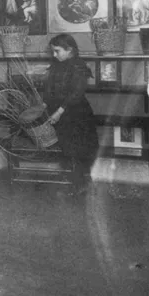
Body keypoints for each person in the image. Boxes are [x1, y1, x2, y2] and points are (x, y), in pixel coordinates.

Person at [43, 34, 99, 196]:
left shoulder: (79, 67)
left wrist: (59, 112)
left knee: (79, 149)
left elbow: (76, 93)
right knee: (67, 149)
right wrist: (45, 104)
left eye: (57, 51)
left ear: (70, 50)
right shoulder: (57, 65)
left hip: (76, 114)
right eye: (53, 51)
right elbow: (50, 90)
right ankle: (76, 185)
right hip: (61, 114)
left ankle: (81, 185)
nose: (54, 55)